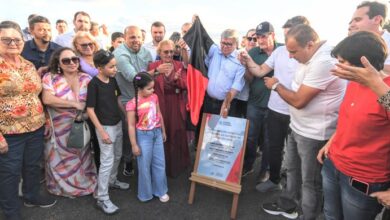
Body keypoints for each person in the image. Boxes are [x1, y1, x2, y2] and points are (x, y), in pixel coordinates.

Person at [261, 24, 346, 220]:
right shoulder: (309, 56)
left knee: (310, 183)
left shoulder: (324, 62)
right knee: (292, 170)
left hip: (314, 134)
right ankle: (288, 205)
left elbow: (299, 101)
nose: (290, 56)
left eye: (293, 51)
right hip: (297, 127)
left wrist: (276, 86)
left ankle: (308, 216)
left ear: (309, 45)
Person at [316, 31, 390, 220]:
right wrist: (332, 142)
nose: (339, 67)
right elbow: (348, 120)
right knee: (330, 215)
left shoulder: (384, 88)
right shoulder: (354, 83)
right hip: (334, 165)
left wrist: (376, 84)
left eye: (344, 62)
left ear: (365, 63)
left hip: (363, 179)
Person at [239, 15, 310, 193]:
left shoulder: (314, 57)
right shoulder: (279, 52)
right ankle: (274, 179)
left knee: (294, 154)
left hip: (298, 112)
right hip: (274, 108)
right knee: (273, 146)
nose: (288, 43)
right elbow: (260, 71)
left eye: (289, 35)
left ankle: (292, 194)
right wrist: (247, 60)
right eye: (286, 35)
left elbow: (303, 93)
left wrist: (276, 85)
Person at [0, 21, 56, 220]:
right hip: (9, 132)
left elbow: (35, 94)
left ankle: (31, 196)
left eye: (17, 39)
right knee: (10, 173)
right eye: (6, 39)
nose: (13, 43)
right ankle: (11, 211)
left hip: (35, 127)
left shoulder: (28, 64)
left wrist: (45, 122)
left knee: (32, 166)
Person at [42, 47, 97, 197]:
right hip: (58, 128)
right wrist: (74, 104)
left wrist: (84, 114)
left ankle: (83, 183)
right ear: (58, 63)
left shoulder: (86, 78)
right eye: (66, 60)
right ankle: (62, 188)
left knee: (82, 154)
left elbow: (94, 102)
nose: (72, 63)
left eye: (75, 59)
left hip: (80, 124)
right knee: (59, 158)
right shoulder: (50, 77)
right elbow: (47, 99)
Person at [87, 49, 129, 215]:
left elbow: (118, 99)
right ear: (99, 67)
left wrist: (125, 116)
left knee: (117, 155)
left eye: (115, 66)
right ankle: (102, 197)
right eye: (111, 67)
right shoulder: (93, 84)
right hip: (105, 127)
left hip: (117, 123)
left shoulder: (112, 80)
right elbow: (90, 110)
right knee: (106, 161)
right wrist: (101, 132)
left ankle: (112, 181)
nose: (115, 70)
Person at [241, 22, 282, 181]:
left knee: (269, 140)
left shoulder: (283, 50)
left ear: (273, 34)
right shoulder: (253, 52)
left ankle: (265, 170)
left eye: (263, 36)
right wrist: (245, 67)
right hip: (255, 103)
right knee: (250, 137)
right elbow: (250, 79)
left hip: (276, 105)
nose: (260, 39)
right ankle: (248, 165)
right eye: (258, 36)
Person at [113, 25, 153, 177]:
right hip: (127, 101)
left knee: (146, 130)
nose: (136, 40)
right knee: (128, 132)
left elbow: (151, 68)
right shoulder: (120, 54)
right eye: (132, 37)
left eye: (138, 37)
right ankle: (128, 161)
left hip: (145, 100)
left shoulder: (146, 52)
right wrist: (155, 72)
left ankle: (145, 161)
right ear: (125, 38)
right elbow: (134, 77)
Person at [147, 40, 189, 178]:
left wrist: (177, 79)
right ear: (159, 52)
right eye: (166, 51)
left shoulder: (179, 65)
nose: (169, 54)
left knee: (176, 134)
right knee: (160, 136)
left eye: (171, 51)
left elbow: (186, 85)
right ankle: (161, 168)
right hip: (159, 106)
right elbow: (142, 80)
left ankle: (176, 167)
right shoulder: (153, 66)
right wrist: (156, 71)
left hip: (176, 105)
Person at [126, 72, 169, 202]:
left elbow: (159, 113)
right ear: (139, 88)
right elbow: (131, 125)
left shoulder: (154, 97)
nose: (153, 90)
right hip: (143, 136)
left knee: (160, 163)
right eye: (149, 88)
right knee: (144, 165)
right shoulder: (132, 103)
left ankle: (160, 190)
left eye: (153, 87)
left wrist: (163, 130)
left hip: (156, 133)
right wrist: (134, 144)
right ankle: (145, 193)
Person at [349, 1, 390, 73]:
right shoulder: (353, 45)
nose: (351, 25)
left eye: (358, 20)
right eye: (351, 22)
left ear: (377, 20)